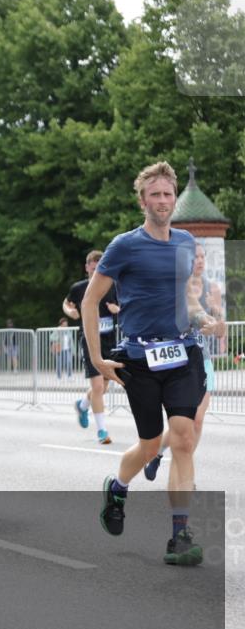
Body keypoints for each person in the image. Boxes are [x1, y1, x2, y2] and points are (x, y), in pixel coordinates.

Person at [86, 161, 216, 566]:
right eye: (155, 194)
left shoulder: (186, 244)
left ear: (175, 198)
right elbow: (91, 301)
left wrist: (204, 319)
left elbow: (187, 299)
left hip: (183, 353)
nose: (163, 201)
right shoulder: (124, 245)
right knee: (147, 445)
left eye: (168, 194)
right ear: (143, 200)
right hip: (140, 358)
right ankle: (118, 486)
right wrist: (96, 358)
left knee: (183, 438)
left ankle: (180, 535)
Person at [143, 241, 226, 482]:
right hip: (180, 360)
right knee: (184, 422)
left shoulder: (213, 288)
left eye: (202, 257)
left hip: (204, 360)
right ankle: (159, 454)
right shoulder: (178, 286)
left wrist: (215, 312)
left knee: (197, 421)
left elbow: (220, 328)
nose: (199, 261)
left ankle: (184, 473)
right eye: (195, 257)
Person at [64, 249, 120, 444]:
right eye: (93, 267)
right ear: (87, 267)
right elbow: (67, 303)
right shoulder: (79, 288)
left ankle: (82, 405)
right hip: (89, 340)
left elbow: (122, 307)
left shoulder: (111, 285)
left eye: (100, 268)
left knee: (102, 388)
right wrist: (70, 311)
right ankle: (102, 431)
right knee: (97, 386)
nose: (96, 271)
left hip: (108, 342)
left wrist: (116, 310)